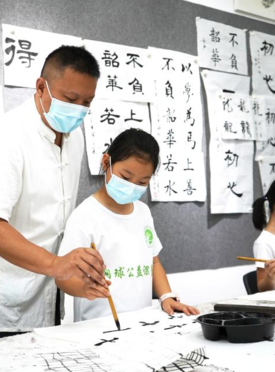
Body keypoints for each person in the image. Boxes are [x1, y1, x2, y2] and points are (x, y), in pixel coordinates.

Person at [0, 46, 110, 344]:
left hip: (47, 289)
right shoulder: (6, 135)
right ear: (41, 87)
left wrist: (72, 266)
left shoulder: (74, 137)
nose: (79, 109)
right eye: (71, 99)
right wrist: (56, 264)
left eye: (87, 102)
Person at [56, 128, 199, 322]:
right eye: (125, 177)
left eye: (142, 181)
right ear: (107, 162)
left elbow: (154, 262)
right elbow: (62, 277)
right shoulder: (84, 216)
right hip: (98, 326)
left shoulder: (143, 212)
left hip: (142, 322)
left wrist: (166, 296)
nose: (133, 185)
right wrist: (84, 289)